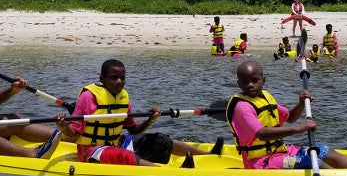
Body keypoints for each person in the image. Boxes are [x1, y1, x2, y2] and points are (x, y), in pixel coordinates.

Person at [55, 59, 222, 167]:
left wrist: (150, 120)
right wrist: (63, 127)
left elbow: (133, 131)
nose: (119, 81)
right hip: (90, 151)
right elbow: (74, 135)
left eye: (122, 77)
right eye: (114, 77)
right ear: (102, 79)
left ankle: (209, 155)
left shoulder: (123, 97)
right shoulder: (88, 97)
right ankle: (171, 174)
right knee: (125, 156)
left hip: (116, 142)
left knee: (160, 139)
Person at [225, 61, 347, 170]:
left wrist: (301, 104)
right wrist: (299, 129)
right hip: (260, 163)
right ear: (239, 84)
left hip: (281, 154)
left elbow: (290, 117)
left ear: (263, 80)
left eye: (254, 80)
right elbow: (262, 134)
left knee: (323, 151)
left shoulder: (265, 97)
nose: (250, 85)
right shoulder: (242, 107)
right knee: (310, 160)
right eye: (245, 82)